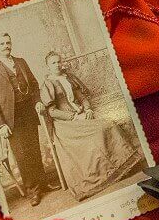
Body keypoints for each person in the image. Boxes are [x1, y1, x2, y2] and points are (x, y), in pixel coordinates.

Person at [40, 51, 143, 200]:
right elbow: (52, 111)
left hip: (81, 115)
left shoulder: (68, 77)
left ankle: (120, 167)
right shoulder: (47, 85)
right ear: (48, 66)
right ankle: (102, 177)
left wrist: (87, 108)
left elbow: (82, 97)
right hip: (65, 125)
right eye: (53, 63)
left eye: (58, 62)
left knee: (108, 125)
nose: (57, 65)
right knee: (99, 131)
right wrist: (73, 117)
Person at [0, 33, 46, 206]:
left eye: (8, 42)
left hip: (28, 111)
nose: (6, 46)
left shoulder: (21, 62)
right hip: (10, 119)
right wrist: (1, 124)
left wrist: (38, 102)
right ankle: (32, 190)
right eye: (2, 43)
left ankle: (43, 184)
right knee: (21, 155)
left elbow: (33, 84)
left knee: (34, 148)